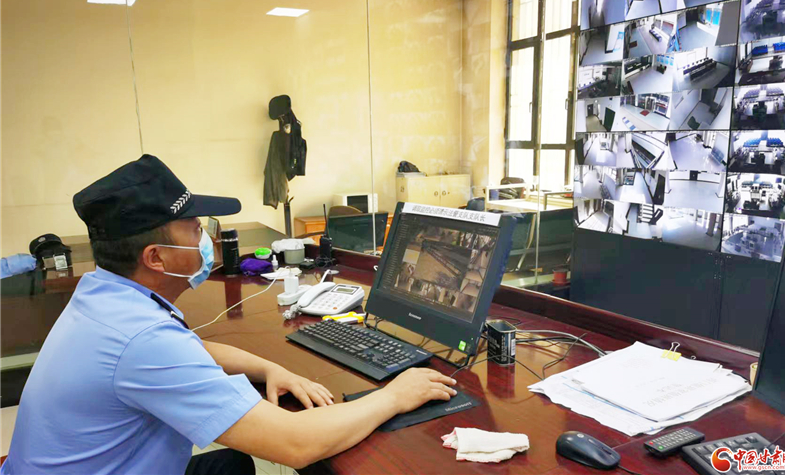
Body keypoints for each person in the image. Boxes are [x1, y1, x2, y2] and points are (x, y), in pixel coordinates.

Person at [1, 155, 457, 475]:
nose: (207, 240)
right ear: (156, 257)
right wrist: (395, 396)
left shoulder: (103, 294)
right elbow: (295, 444)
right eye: (195, 229)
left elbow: (191, 349)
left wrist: (271, 368)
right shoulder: (141, 340)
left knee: (231, 466)